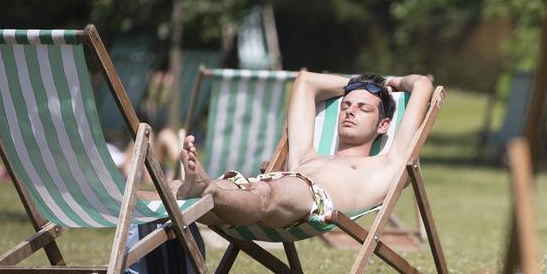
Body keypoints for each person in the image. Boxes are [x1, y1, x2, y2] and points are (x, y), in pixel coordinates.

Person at [171, 71, 433, 228]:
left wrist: (390, 82)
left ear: (384, 125)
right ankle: (193, 192)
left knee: (262, 192)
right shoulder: (306, 155)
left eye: (363, 108)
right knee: (174, 189)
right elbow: (306, 81)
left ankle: (207, 190)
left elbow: (422, 85)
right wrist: (359, 83)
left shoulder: (386, 165)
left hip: (311, 199)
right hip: (264, 188)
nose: (351, 111)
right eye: (346, 106)